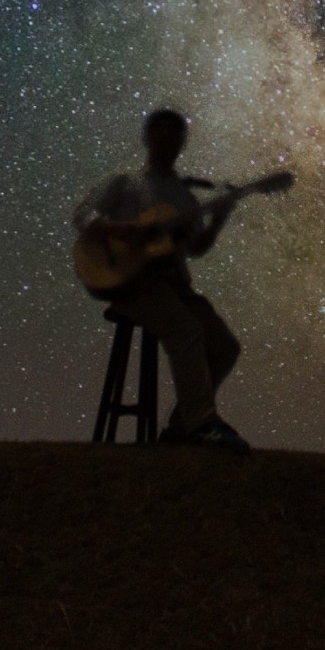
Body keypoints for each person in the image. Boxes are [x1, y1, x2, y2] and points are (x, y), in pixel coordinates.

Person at [72, 109, 250, 451]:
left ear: (182, 142)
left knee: (225, 346)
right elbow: (83, 214)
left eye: (174, 131)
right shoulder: (125, 182)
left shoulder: (185, 197)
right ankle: (203, 423)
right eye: (159, 129)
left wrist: (218, 219)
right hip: (134, 285)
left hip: (174, 285)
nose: (166, 135)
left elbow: (196, 248)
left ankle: (181, 426)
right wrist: (119, 229)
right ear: (147, 137)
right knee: (186, 330)